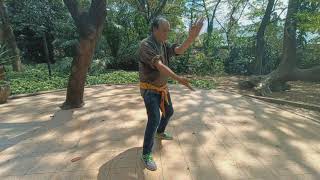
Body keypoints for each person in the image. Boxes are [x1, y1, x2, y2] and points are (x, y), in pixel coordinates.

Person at [139, 16, 204, 171]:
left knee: (169, 112)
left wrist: (191, 37)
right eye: (164, 30)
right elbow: (159, 65)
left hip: (162, 88)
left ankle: (160, 133)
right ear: (154, 29)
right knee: (154, 118)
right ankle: (146, 154)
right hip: (149, 89)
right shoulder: (145, 45)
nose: (167, 34)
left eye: (168, 30)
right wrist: (178, 78)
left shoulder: (163, 44)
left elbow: (179, 50)